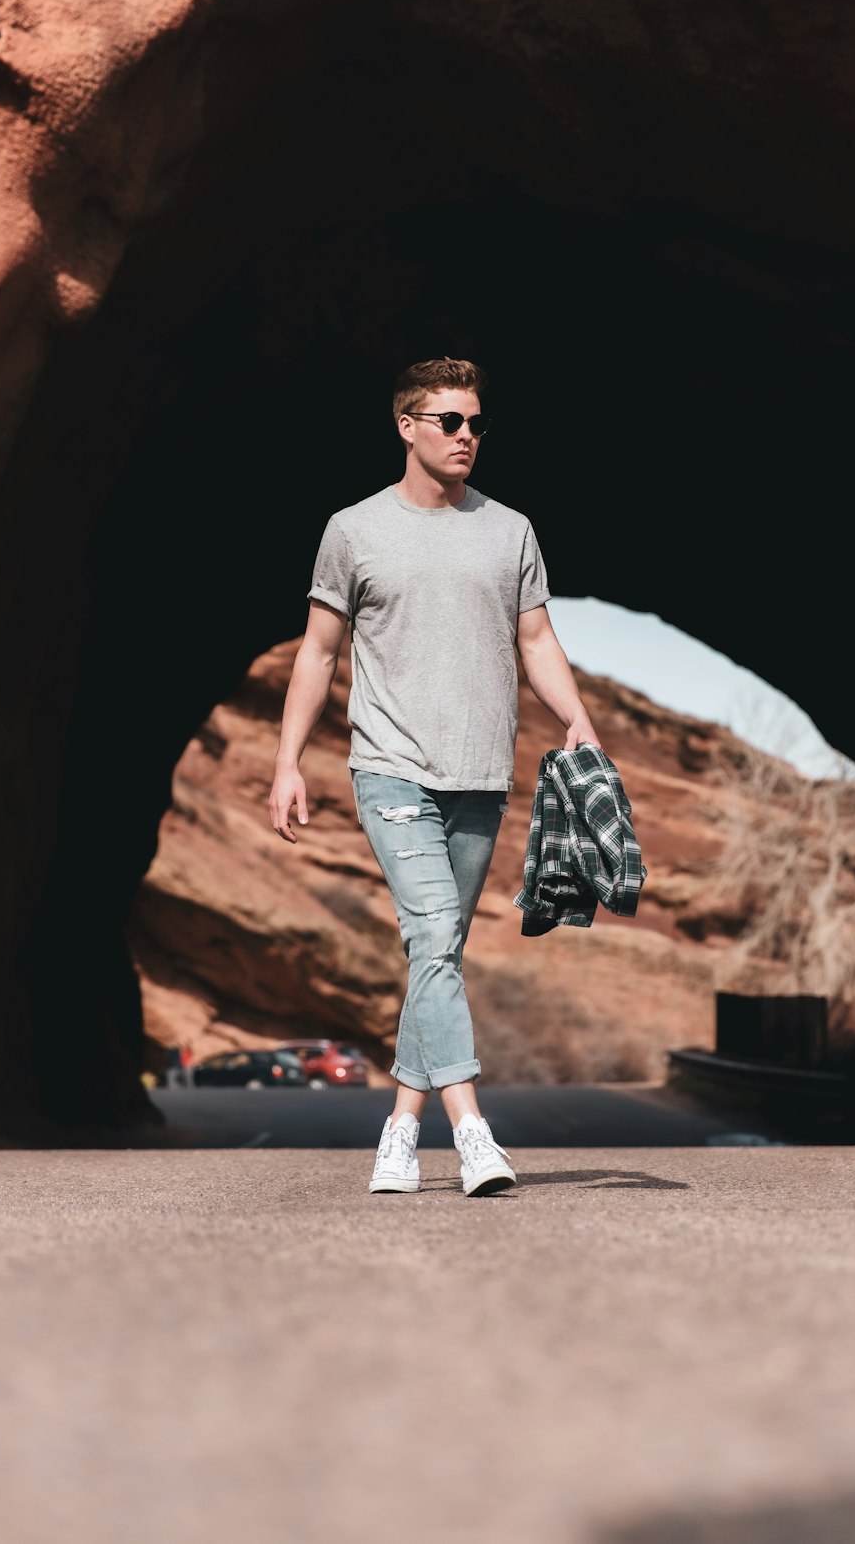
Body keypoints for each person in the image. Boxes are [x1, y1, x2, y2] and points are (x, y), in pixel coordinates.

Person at [268, 357, 601, 1197]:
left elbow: (535, 641)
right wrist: (287, 763)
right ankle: (474, 1131)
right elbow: (317, 651)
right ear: (406, 426)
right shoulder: (354, 530)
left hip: (481, 772)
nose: (466, 438)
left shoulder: (510, 530)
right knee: (431, 935)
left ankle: (399, 1131)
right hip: (391, 768)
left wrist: (578, 717)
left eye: (477, 424)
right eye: (450, 422)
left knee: (439, 949)